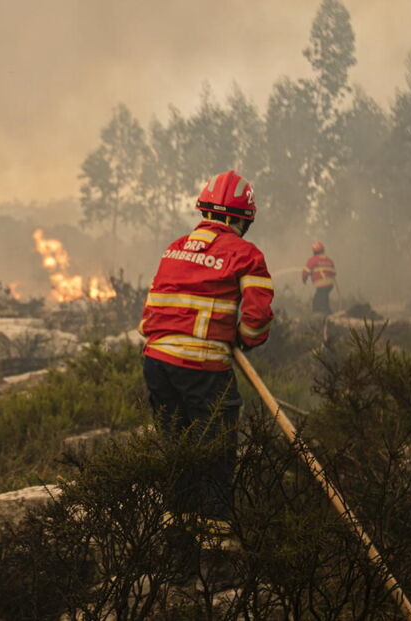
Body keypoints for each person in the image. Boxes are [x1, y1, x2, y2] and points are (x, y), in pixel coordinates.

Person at [139, 170, 274, 587]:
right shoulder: (246, 255)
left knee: (178, 455)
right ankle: (215, 568)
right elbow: (256, 320)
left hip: (158, 363)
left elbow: (150, 315)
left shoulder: (174, 249)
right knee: (215, 459)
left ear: (205, 211)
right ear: (243, 219)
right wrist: (242, 340)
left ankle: (175, 560)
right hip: (202, 370)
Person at [301, 242, 336, 314]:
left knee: (317, 302)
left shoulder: (313, 260)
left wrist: (304, 279)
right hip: (330, 284)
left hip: (321, 284)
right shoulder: (329, 260)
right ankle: (327, 313)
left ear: (314, 251)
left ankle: (321, 314)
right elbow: (334, 273)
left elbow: (305, 272)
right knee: (324, 298)